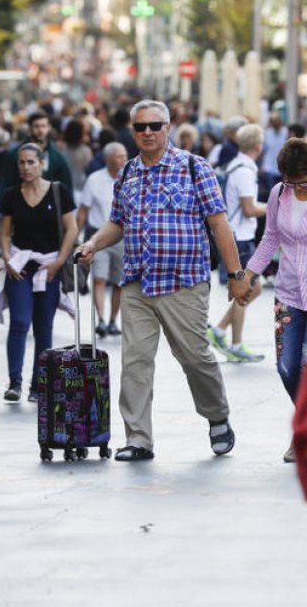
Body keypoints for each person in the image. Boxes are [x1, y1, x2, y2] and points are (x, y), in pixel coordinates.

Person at [75, 99, 251, 462]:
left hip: (182, 281)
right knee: (135, 362)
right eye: (140, 127)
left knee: (195, 357)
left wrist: (236, 275)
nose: (148, 132)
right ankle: (138, 438)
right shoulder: (128, 173)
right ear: (133, 131)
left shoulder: (194, 167)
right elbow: (117, 222)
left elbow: (219, 224)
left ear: (168, 128)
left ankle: (217, 416)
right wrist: (93, 243)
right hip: (137, 283)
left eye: (155, 126)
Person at [244, 138, 307, 462]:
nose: (297, 188)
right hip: (288, 292)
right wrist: (248, 275)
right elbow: (270, 239)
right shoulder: (280, 193)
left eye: (302, 182)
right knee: (287, 367)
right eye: (291, 181)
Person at [0, 143, 78, 403]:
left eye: (31, 162)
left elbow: (72, 229)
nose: (25, 167)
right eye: (21, 162)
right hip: (21, 265)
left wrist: (59, 262)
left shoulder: (58, 191)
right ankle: (14, 383)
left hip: (49, 265)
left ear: (42, 163)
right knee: (20, 321)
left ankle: (39, 385)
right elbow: (4, 232)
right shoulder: (11, 195)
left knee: (44, 328)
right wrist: (7, 258)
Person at [207, 123, 267, 362]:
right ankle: (233, 342)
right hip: (240, 238)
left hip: (238, 235)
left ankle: (222, 332)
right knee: (248, 289)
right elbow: (249, 209)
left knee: (252, 288)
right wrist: (274, 206)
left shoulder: (237, 165)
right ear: (258, 146)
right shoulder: (245, 171)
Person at [77, 142, 127, 337]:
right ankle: (101, 320)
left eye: (125, 155)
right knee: (99, 278)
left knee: (119, 282)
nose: (124, 159)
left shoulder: (130, 179)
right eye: (119, 156)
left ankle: (113, 320)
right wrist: (75, 238)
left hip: (123, 237)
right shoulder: (94, 180)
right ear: (108, 159)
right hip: (99, 237)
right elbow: (83, 211)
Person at [0, 112, 73, 194]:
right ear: (30, 129)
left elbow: (66, 187)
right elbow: (6, 185)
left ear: (49, 128)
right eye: (36, 126)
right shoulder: (15, 155)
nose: (40, 130)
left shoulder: (58, 157)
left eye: (43, 126)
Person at [62, 117, 93, 193]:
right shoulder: (86, 151)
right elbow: (88, 168)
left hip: (65, 186)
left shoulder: (60, 149)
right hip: (80, 187)